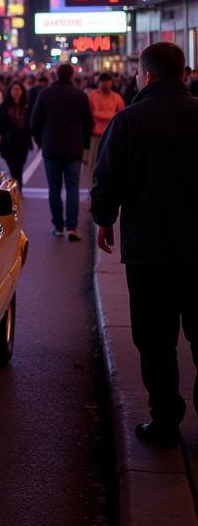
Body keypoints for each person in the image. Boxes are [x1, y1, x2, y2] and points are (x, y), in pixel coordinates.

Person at [91, 42, 198, 448]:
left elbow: (107, 178)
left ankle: (165, 418)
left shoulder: (129, 121)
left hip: (149, 250)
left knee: (156, 340)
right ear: (183, 74)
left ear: (147, 75)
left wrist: (104, 219)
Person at [30, 63, 93, 240]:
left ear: (56, 75)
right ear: (72, 75)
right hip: (74, 147)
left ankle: (58, 225)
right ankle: (72, 227)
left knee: (54, 188)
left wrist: (40, 141)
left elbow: (34, 122)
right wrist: (85, 144)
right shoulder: (80, 96)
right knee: (72, 187)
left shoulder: (46, 94)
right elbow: (89, 123)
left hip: (51, 147)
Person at [85, 72, 125, 176]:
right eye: (103, 83)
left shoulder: (117, 97)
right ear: (99, 83)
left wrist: (98, 114)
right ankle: (92, 188)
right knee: (93, 163)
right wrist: (111, 115)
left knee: (110, 163)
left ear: (111, 83)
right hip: (96, 135)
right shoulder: (92, 96)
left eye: (108, 83)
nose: (105, 85)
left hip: (111, 135)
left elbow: (122, 115)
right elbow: (88, 113)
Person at [0, 80, 32, 187]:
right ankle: (17, 187)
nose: (16, 92)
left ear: (22, 91)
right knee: (12, 167)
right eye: (13, 89)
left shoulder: (27, 106)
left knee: (20, 166)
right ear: (10, 92)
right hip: (9, 141)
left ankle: (18, 187)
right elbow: (0, 123)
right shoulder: (4, 106)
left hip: (22, 141)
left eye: (18, 89)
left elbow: (30, 123)